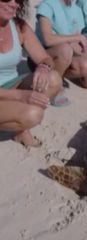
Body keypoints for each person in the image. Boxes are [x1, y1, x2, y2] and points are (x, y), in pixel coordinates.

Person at [0, 0, 62, 147]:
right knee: (33, 114)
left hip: (11, 85)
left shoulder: (18, 26)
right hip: (10, 94)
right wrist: (22, 96)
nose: (14, 4)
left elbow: (46, 58)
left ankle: (17, 127)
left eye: (18, 1)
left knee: (54, 79)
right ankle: (15, 122)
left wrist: (43, 67)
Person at [33, 0, 87, 92]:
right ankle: (52, 86)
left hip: (65, 53)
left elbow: (75, 40)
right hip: (42, 57)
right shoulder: (47, 5)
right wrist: (77, 37)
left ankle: (57, 77)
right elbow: (48, 40)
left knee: (86, 64)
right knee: (65, 50)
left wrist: (83, 49)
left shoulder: (76, 8)